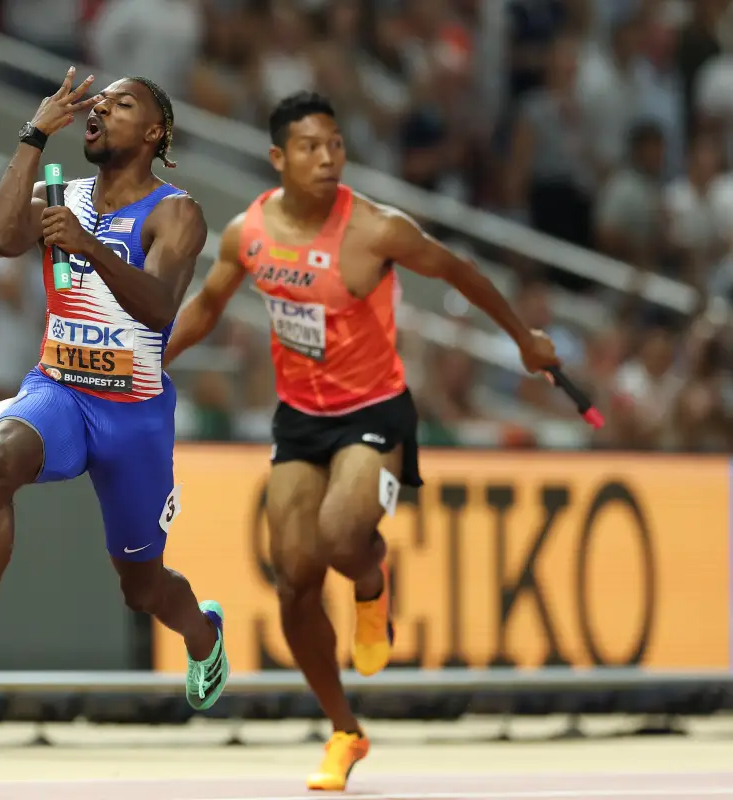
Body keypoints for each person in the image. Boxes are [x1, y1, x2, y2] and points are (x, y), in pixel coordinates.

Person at [163, 91, 560, 791]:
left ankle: (372, 588)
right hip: (299, 420)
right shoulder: (248, 232)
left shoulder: (377, 230)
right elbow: (205, 306)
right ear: (278, 159)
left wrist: (523, 339)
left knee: (343, 537)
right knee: (293, 581)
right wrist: (147, 358)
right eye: (311, 148)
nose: (327, 158)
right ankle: (344, 731)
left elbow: (459, 273)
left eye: (336, 145)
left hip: (376, 412)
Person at [0, 67, 228, 722]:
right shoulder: (65, 195)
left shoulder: (176, 211)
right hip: (60, 388)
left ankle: (203, 635)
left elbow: (160, 308)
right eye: (97, 103)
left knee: (141, 588)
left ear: (154, 130)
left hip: (134, 414)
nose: (101, 110)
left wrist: (90, 249)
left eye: (122, 103)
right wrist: (32, 137)